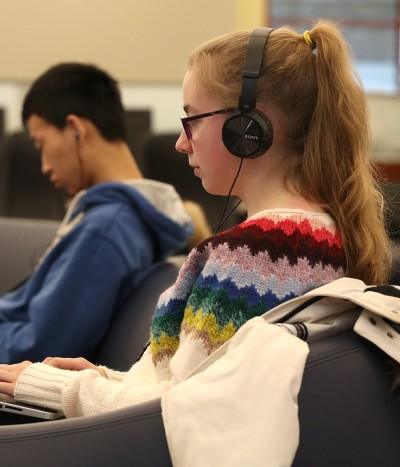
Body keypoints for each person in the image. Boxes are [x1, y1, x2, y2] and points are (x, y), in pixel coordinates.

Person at [0, 20, 392, 423]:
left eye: (193, 119)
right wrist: (104, 379)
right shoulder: (313, 240)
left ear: (249, 129)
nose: (180, 142)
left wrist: (52, 387)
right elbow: (190, 386)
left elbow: (180, 416)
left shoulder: (260, 258)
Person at [0, 62, 193, 363]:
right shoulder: (115, 217)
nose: (44, 165)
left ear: (76, 130)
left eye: (41, 144)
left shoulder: (107, 228)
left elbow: (34, 350)